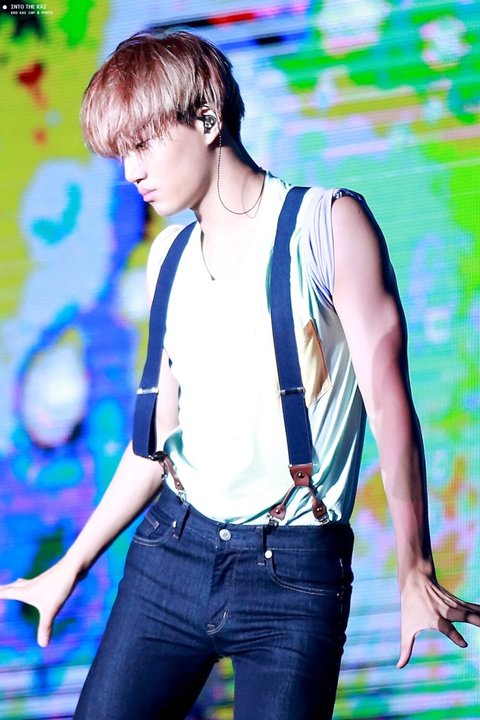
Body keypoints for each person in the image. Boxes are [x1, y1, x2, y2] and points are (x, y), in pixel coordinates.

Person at [1, 29, 479, 720]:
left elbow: (389, 407)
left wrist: (415, 567)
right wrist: (68, 568)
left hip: (294, 571)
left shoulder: (326, 224)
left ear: (206, 118)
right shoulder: (168, 257)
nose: (131, 171)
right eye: (120, 153)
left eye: (142, 144)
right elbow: (154, 443)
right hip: (171, 552)